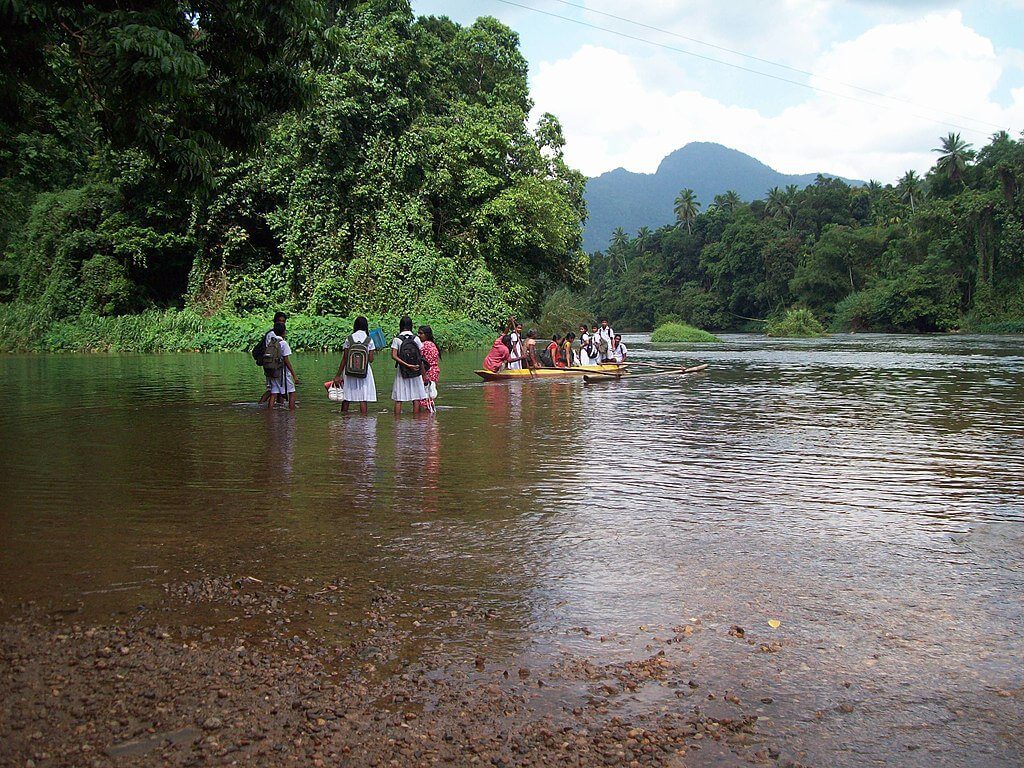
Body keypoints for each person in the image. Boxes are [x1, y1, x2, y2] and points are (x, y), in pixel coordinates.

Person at [332, 315, 376, 415]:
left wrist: (338, 375)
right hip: (364, 371)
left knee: (347, 396)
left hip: (349, 370)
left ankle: (344, 420)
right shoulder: (369, 340)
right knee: (363, 398)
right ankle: (364, 421)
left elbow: (345, 358)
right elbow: (371, 360)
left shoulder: (349, 339)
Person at [391, 316, 428, 415]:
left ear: (401, 326)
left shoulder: (397, 339)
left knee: (399, 399)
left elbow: (393, 356)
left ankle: (397, 424)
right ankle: (416, 422)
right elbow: (421, 357)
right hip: (415, 369)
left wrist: (406, 365)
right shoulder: (416, 338)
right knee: (416, 398)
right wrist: (424, 374)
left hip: (401, 371)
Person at [265, 321, 299, 411]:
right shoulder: (283, 343)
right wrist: (294, 375)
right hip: (282, 373)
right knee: (292, 392)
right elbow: (286, 361)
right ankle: (292, 412)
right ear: (284, 332)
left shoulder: (271, 342)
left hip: (272, 371)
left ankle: (269, 412)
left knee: (274, 393)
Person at [257, 311, 288, 405]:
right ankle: (261, 405)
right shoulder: (273, 335)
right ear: (275, 321)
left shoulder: (274, 334)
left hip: (275, 364)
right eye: (279, 321)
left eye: (283, 321)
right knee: (273, 389)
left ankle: (279, 408)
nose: (281, 323)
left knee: (278, 389)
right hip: (273, 364)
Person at [417, 325, 440, 411]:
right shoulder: (433, 344)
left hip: (427, 372)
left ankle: (424, 418)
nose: (419, 335)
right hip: (434, 372)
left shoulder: (423, 345)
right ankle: (431, 416)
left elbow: (420, 360)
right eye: (418, 333)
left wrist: (423, 375)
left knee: (423, 397)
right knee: (430, 396)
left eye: (421, 333)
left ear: (426, 334)